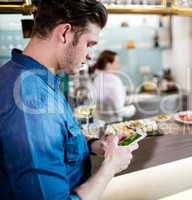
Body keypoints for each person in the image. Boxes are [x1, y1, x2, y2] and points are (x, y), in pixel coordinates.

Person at [0, 0, 138, 199]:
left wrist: (93, 145)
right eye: (89, 44)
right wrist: (110, 168)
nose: (90, 55)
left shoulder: (26, 74)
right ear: (65, 33)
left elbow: (56, 139)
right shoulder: (33, 102)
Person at [91, 50, 136, 123]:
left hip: (99, 123)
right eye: (116, 62)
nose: (118, 65)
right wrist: (132, 108)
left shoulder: (97, 79)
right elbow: (119, 111)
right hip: (113, 124)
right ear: (108, 64)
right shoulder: (115, 81)